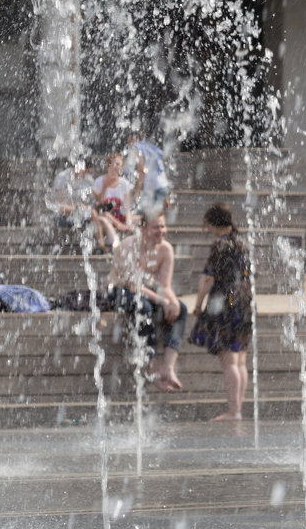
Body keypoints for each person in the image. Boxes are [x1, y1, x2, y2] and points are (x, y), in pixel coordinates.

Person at [105, 212, 186, 392]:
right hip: (119, 290)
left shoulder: (165, 249)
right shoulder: (128, 246)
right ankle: (152, 367)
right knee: (144, 307)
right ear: (143, 228)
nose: (161, 231)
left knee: (181, 308)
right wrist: (162, 300)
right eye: (156, 227)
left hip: (144, 291)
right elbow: (132, 285)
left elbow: (165, 285)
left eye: (163, 226)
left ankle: (168, 367)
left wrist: (172, 301)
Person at [188, 203, 254, 422]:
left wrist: (198, 304)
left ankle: (233, 412)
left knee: (230, 361)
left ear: (215, 224)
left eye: (209, 225)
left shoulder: (221, 246)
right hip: (243, 302)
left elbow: (208, 278)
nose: (208, 230)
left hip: (225, 304)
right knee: (240, 360)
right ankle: (237, 409)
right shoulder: (242, 244)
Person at [91, 153, 134, 253]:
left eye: (117, 164)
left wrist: (128, 222)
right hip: (106, 217)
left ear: (121, 166)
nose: (115, 167)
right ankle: (115, 245)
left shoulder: (124, 184)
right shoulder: (99, 182)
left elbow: (127, 207)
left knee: (142, 219)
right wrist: (105, 187)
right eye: (112, 164)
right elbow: (98, 204)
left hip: (120, 215)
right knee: (104, 216)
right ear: (107, 166)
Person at [125, 130, 171, 219]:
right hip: (162, 188)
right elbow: (161, 171)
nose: (128, 145)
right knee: (153, 217)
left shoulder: (137, 148)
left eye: (129, 141)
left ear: (135, 140)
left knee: (147, 217)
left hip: (154, 189)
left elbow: (141, 171)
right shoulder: (151, 148)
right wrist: (166, 196)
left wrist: (136, 193)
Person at [48, 164, 95, 232]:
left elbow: (93, 202)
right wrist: (78, 208)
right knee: (94, 220)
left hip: (82, 215)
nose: (85, 175)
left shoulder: (88, 178)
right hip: (62, 217)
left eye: (88, 172)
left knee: (98, 219)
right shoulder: (63, 177)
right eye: (85, 171)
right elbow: (60, 206)